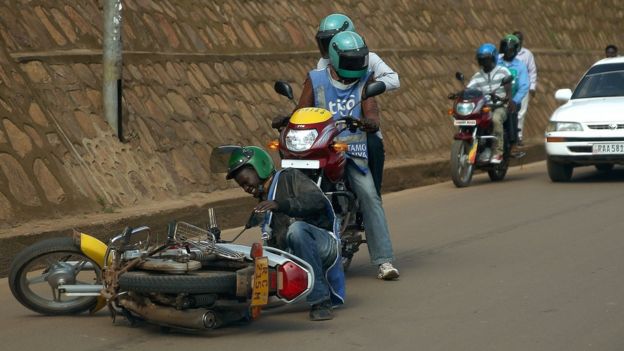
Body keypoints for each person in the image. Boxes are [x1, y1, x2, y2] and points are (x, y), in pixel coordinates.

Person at [294, 30, 399, 280]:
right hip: (319, 148)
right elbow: (300, 111)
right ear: (334, 57)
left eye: (358, 59)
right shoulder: (315, 78)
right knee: (292, 188)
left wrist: (370, 123)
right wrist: (289, 120)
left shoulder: (366, 79)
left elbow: (371, 112)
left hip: (353, 151)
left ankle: (384, 261)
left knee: (370, 196)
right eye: (350, 60)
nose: (356, 65)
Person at [225, 146, 345, 321]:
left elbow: (317, 201)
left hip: (322, 243)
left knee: (297, 230)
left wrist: (282, 204)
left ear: (260, 167)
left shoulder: (289, 177)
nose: (245, 188)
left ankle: (321, 300)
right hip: (294, 254)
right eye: (241, 185)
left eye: (246, 181)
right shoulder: (264, 201)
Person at [315, 13, 400, 196]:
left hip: (360, 127)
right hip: (333, 127)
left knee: (374, 145)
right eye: (325, 41)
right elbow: (319, 91)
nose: (327, 46)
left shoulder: (369, 59)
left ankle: (373, 198)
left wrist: (372, 86)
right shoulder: (323, 63)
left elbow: (394, 79)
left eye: (331, 40)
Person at [467, 43, 513, 164]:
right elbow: (469, 89)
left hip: (500, 106)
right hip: (483, 108)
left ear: (493, 58)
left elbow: (508, 86)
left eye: (486, 59)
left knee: (495, 119)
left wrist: (507, 97)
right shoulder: (477, 76)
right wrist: (461, 94)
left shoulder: (503, 71)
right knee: (473, 121)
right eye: (481, 59)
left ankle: (498, 152)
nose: (484, 62)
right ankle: (480, 148)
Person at [498, 34, 530, 151]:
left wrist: (515, 100)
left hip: (512, 99)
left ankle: (513, 143)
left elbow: (524, 85)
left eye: (511, 48)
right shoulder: (495, 62)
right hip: (495, 98)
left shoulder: (520, 66)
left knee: (511, 111)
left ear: (516, 50)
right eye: (506, 47)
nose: (508, 50)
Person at [513, 31, 538, 145]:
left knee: (521, 113)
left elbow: (532, 71)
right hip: (508, 88)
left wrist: (532, 86)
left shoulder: (527, 54)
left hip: (523, 88)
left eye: (519, 40)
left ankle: (518, 136)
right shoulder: (504, 54)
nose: (517, 42)